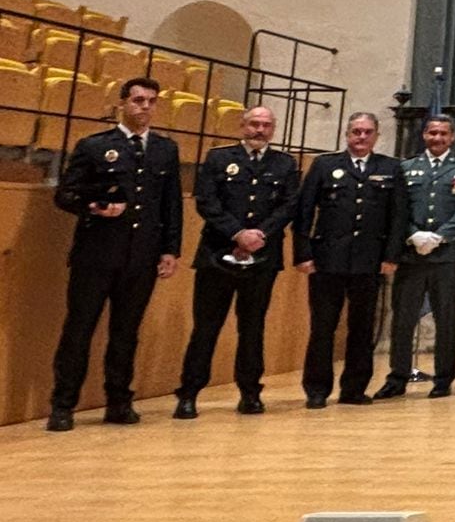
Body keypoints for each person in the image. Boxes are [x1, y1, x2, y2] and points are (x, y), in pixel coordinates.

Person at [47, 76, 184, 431]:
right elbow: (64, 194)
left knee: (126, 332)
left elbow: (171, 204)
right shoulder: (95, 146)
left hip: (140, 257)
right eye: (138, 100)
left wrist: (171, 249)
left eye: (152, 101)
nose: (145, 107)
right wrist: (94, 206)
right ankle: (63, 404)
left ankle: (119, 401)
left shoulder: (165, 149)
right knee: (79, 330)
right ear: (123, 103)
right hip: (96, 255)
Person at [175, 104, 298, 418]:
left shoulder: (284, 164)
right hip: (217, 255)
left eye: (266, 125)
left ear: (273, 129)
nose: (259, 130)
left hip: (263, 257)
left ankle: (250, 393)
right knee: (206, 328)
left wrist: (259, 235)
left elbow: (288, 206)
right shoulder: (220, 158)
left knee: (252, 328)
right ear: (243, 126)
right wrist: (237, 234)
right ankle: (188, 394)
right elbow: (206, 201)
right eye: (254, 124)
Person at [294, 111, 408, 409]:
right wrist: (302, 253)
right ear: (347, 134)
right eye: (356, 131)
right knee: (323, 327)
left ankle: (354, 388)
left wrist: (391, 256)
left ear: (376, 136)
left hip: (368, 262)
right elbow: (304, 212)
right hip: (327, 261)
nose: (361, 137)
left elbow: (398, 218)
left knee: (362, 327)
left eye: (368, 132)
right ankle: (317, 389)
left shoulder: (390, 168)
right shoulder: (325, 165)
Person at [375, 114, 455, 399]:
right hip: (411, 255)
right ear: (424, 135)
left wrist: (440, 236)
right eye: (432, 133)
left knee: (446, 318)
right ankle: (398, 376)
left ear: (452, 137)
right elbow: (398, 209)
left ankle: (443, 379)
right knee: (403, 318)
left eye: (443, 134)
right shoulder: (407, 167)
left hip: (446, 255)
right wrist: (413, 234)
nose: (437, 138)